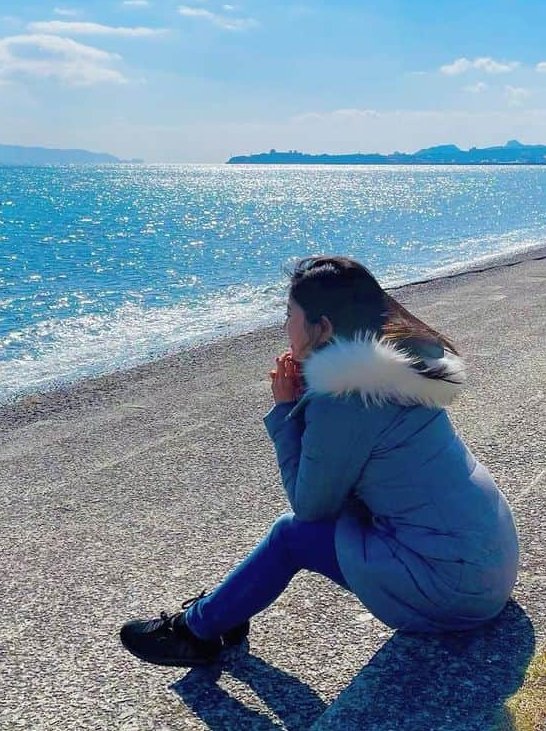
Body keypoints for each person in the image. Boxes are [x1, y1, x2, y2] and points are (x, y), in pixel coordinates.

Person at [119, 255, 520, 667]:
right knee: (327, 519)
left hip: (454, 589)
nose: (285, 325)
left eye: (289, 314)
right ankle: (226, 609)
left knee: (291, 535)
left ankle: (195, 633)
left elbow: (310, 507)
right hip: (490, 562)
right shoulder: (406, 367)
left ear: (324, 327)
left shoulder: (346, 398)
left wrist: (284, 413)